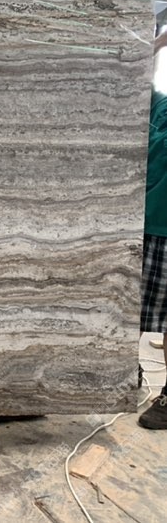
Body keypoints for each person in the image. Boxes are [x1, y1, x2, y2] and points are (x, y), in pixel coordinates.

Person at [139, 29, 167, 430]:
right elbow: (134, 81)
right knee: (128, 309)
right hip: (143, 228)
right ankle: (127, 372)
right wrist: (154, 45)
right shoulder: (156, 107)